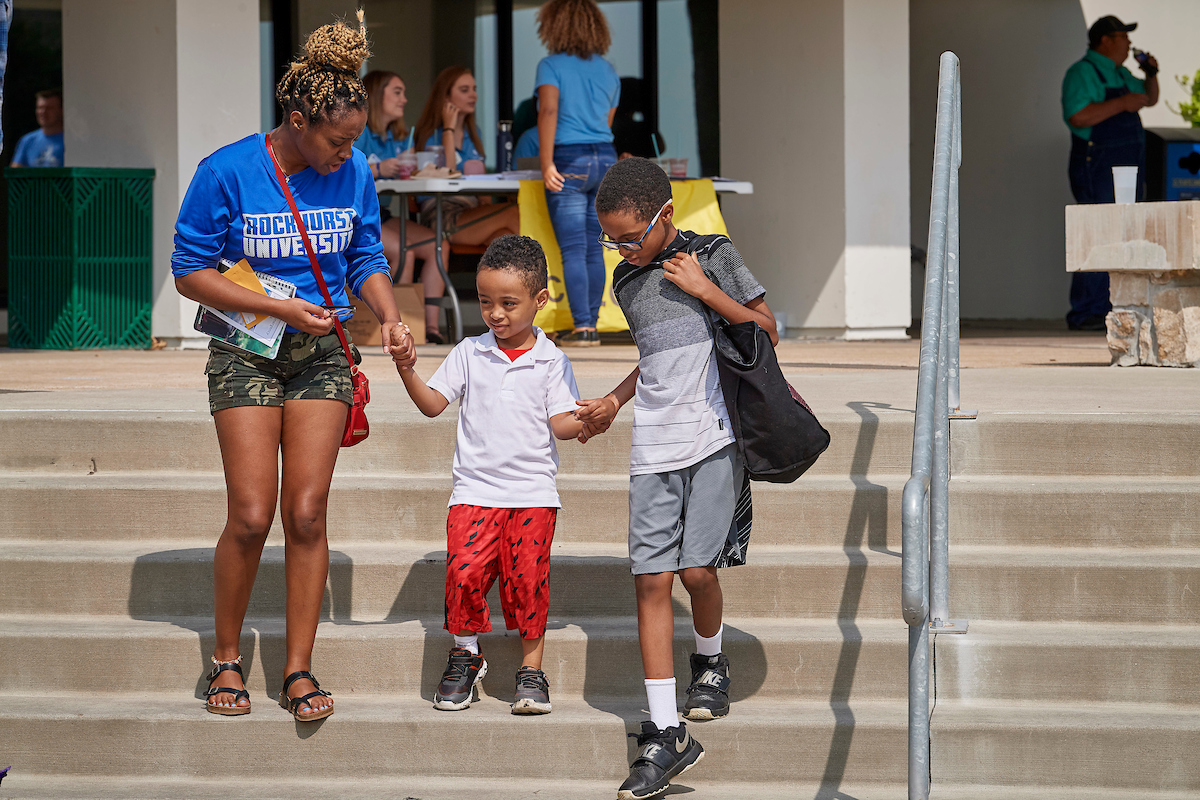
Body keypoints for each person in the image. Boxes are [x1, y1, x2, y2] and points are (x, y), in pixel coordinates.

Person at [172, 14, 415, 721]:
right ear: (297, 118)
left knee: (305, 513)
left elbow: (365, 253)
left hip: (322, 355)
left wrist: (391, 315)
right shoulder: (226, 171)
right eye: (336, 141)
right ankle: (225, 659)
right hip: (247, 348)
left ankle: (299, 668)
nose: (346, 155)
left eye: (354, 143)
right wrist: (277, 311)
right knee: (250, 515)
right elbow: (189, 272)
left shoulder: (356, 171)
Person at [575, 158, 778, 800]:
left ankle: (710, 658)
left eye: (632, 237)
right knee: (651, 579)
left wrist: (706, 290)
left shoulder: (713, 255)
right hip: (652, 447)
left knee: (697, 573)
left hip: (715, 440)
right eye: (613, 240)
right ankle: (665, 731)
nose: (623, 250)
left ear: (666, 216)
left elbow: (769, 329)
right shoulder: (625, 279)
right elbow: (655, 360)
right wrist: (613, 399)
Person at [394, 234, 587, 714]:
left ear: (540, 301)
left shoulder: (552, 361)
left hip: (533, 494)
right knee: (463, 573)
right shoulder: (468, 352)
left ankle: (531, 671)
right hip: (475, 491)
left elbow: (562, 424)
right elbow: (433, 405)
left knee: (527, 580)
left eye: (508, 303)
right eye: (485, 302)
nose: (495, 314)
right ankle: (466, 654)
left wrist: (591, 418)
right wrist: (406, 370)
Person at [1062, 15, 1159, 331]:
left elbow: (1149, 98)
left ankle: (1113, 308)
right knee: (1096, 233)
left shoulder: (1121, 73)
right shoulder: (1081, 73)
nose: (1129, 43)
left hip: (1127, 166)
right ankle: (1087, 311)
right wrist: (1122, 104)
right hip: (1096, 166)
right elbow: (1078, 116)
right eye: (1123, 36)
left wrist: (1151, 74)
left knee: (1124, 233)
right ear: (1105, 40)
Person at [535, 0, 620, 346]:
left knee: (572, 249)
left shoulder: (550, 65)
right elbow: (607, 123)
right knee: (592, 249)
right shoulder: (608, 70)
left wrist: (545, 163)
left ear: (554, 26)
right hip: (605, 158)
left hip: (569, 159)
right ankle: (592, 326)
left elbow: (548, 111)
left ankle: (582, 326)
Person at [356, 69, 448, 343]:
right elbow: (343, 168)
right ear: (376, 94)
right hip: (359, 218)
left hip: (384, 214)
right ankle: (395, 327)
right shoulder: (359, 132)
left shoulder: (394, 138)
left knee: (437, 243)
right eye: (397, 92)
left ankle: (429, 327)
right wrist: (378, 167)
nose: (404, 99)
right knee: (403, 250)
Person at [412, 67, 519, 248]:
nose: (473, 95)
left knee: (504, 238)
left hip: (473, 212)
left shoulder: (474, 133)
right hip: (442, 215)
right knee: (513, 213)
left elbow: (482, 189)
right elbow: (448, 176)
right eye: (464, 90)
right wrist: (449, 129)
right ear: (445, 97)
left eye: (474, 89)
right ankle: (546, 274)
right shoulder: (430, 134)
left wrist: (486, 204)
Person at [11, 89, 63, 168]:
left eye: (49, 108)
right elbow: (15, 173)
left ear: (61, 110)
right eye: (40, 108)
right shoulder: (27, 141)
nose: (43, 112)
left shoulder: (69, 140)